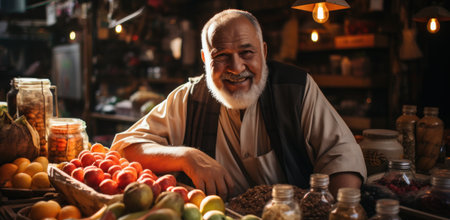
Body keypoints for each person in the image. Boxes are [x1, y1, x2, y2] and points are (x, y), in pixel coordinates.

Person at [111, 9, 366, 200]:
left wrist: (332, 218)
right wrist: (188, 157)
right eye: (221, 56)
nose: (236, 68)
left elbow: (342, 157)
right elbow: (125, 147)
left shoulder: (296, 89)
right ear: (204, 60)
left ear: (264, 52)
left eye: (247, 53)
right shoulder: (189, 99)